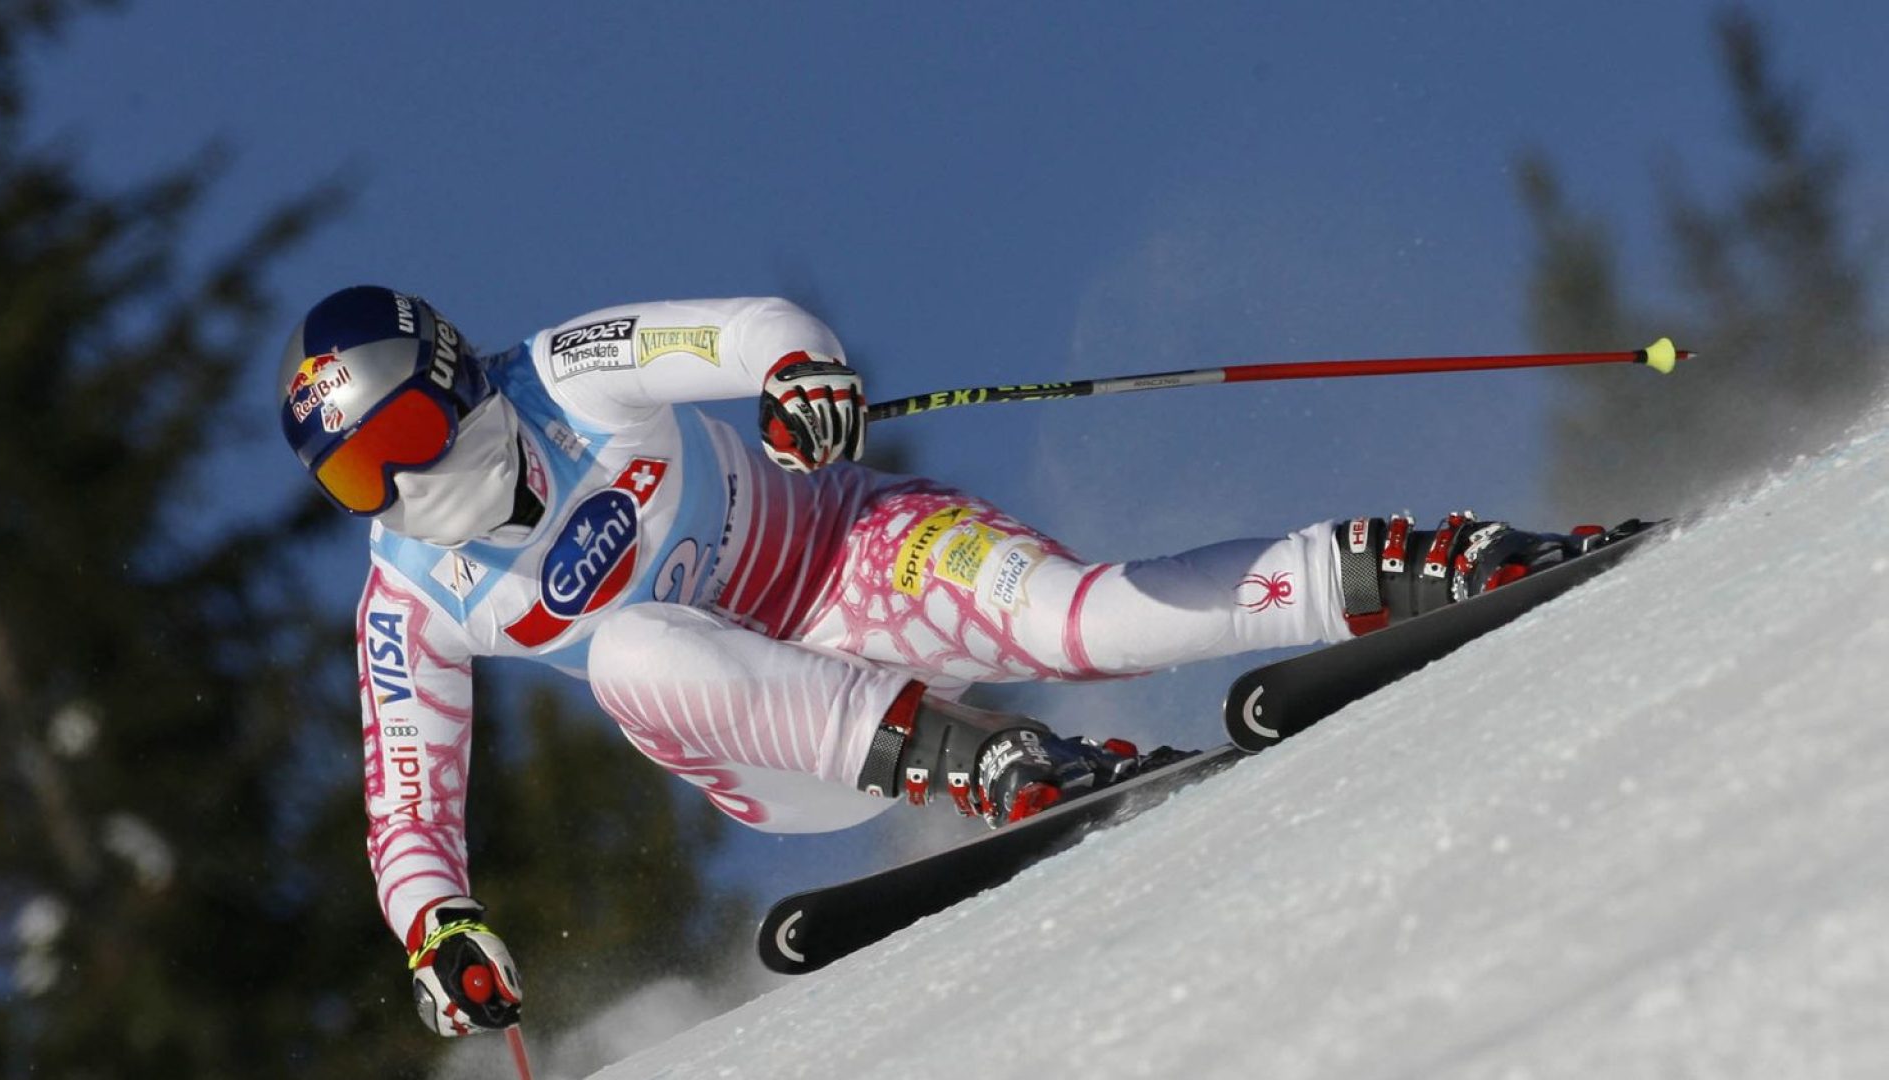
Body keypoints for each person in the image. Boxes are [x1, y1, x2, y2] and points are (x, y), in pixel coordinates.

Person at [279, 286, 1622, 1037]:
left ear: (453, 380)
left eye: (396, 434)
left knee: (1086, 623)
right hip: (780, 747)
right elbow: (406, 805)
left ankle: (1407, 565)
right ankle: (987, 763)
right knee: (631, 648)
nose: (394, 485)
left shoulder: (567, 375)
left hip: (855, 555)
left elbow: (738, 331)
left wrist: (801, 375)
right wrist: (436, 930)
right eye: (352, 476)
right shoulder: (411, 603)